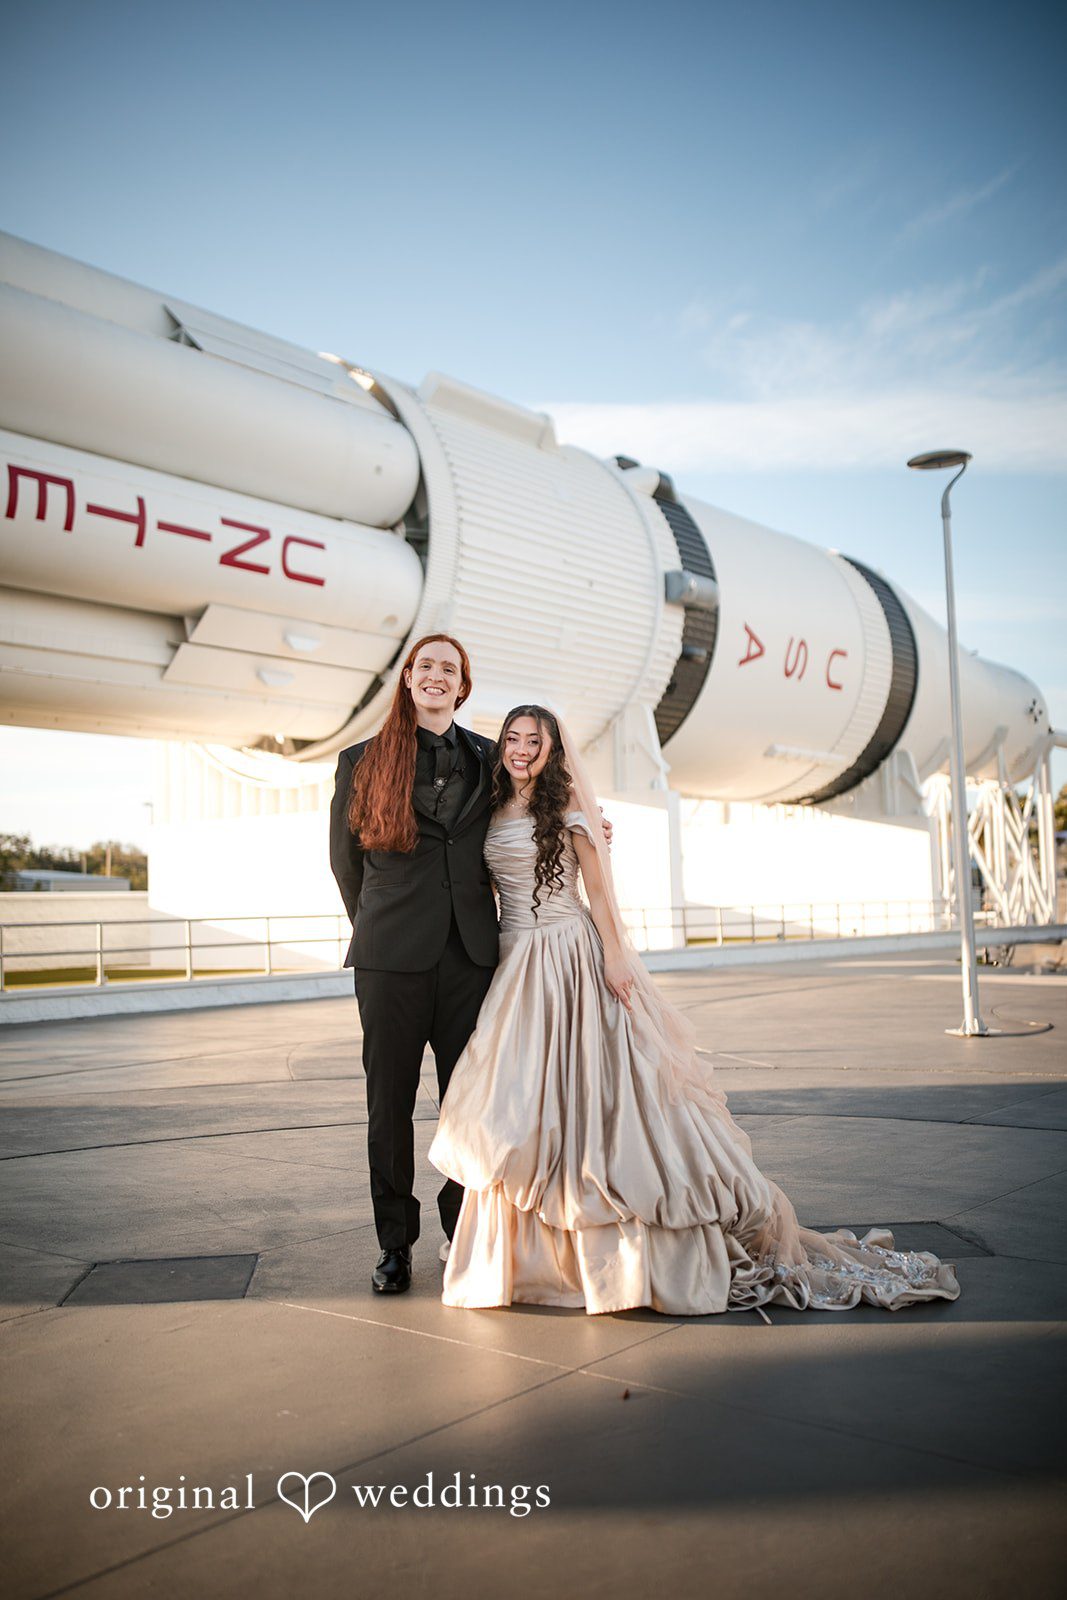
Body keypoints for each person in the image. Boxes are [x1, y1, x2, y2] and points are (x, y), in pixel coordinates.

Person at [429, 705, 962, 1317]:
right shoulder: (489, 808)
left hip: (570, 955)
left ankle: (613, 1249)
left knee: (599, 1100)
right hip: (514, 963)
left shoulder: (570, 810)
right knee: (519, 1105)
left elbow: (598, 894)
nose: (522, 749)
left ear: (554, 751)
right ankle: (527, 1257)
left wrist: (616, 958)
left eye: (535, 741)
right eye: (514, 739)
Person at [329, 634, 498, 1295]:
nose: (435, 675)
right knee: (388, 1106)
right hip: (389, 960)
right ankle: (393, 1246)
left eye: (448, 669)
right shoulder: (360, 759)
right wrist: (378, 929)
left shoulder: (489, 759)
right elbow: (345, 864)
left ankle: (461, 1229)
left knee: (467, 1105)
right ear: (407, 680)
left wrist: (589, 827)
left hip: (470, 958)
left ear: (461, 687)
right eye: (424, 665)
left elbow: (529, 822)